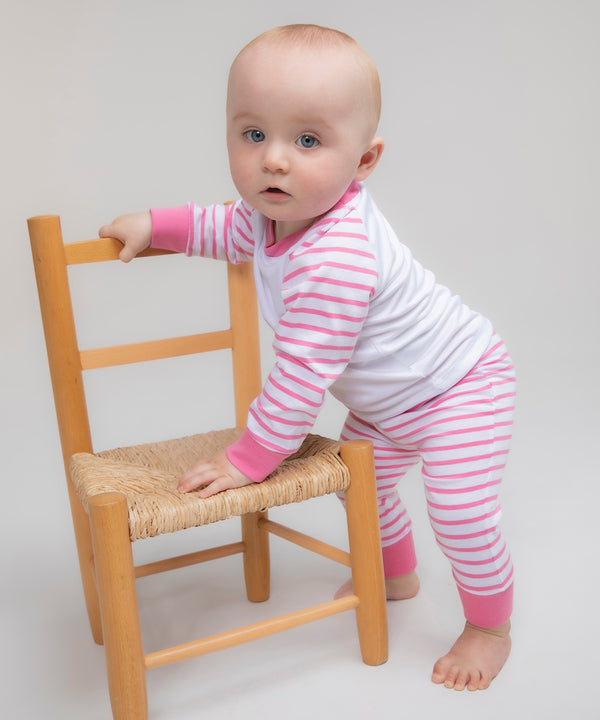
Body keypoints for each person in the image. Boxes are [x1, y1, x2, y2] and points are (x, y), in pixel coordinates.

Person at [100, 23, 515, 692]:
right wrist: (157, 225)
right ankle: (397, 575)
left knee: (460, 511)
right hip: (385, 404)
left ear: (364, 160)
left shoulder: (336, 258)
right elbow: (221, 226)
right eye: (253, 133)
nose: (274, 160)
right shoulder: (273, 215)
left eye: (309, 141)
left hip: (458, 386)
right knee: (364, 487)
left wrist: (248, 459)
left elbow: (300, 377)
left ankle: (490, 628)